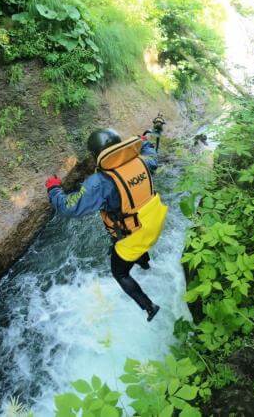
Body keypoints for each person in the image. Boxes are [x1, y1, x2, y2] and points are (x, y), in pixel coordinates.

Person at [44, 124, 168, 321]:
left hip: (134, 235)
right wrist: (144, 144)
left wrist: (54, 190)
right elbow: (153, 156)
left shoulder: (100, 182)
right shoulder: (143, 162)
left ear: (96, 155)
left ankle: (149, 307)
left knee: (119, 272)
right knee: (135, 241)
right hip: (155, 222)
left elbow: (69, 206)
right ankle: (145, 265)